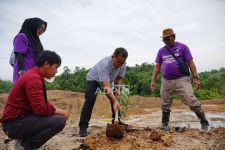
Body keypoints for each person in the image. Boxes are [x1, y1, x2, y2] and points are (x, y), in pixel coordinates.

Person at [1, 50, 70, 150]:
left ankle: (24, 143)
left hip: (18, 121)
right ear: (46, 64)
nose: (56, 71)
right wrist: (61, 111)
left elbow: (39, 105)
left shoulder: (34, 75)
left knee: (54, 116)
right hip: (13, 125)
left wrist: (54, 110)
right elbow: (41, 109)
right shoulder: (33, 78)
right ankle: (25, 146)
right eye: (55, 67)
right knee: (59, 121)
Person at [150, 28, 209, 132]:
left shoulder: (183, 47)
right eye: (164, 39)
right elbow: (157, 66)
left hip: (181, 79)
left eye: (168, 39)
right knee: (165, 102)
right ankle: (164, 124)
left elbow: (190, 63)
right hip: (166, 80)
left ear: (173, 37)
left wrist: (195, 77)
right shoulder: (161, 51)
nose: (166, 41)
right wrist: (153, 81)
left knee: (192, 101)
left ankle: (204, 122)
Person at [78, 47, 128, 137]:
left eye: (122, 63)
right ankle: (83, 126)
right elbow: (106, 87)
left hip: (109, 81)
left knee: (116, 98)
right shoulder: (104, 65)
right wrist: (114, 100)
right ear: (113, 57)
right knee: (90, 99)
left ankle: (117, 122)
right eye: (118, 62)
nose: (120, 65)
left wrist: (118, 89)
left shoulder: (123, 64)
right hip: (94, 79)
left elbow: (119, 78)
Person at [12, 17, 47, 84]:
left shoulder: (36, 41)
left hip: (34, 72)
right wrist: (22, 71)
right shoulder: (21, 37)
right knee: (22, 92)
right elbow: (19, 54)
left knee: (33, 92)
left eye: (44, 30)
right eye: (41, 27)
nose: (42, 31)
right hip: (24, 71)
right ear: (34, 25)